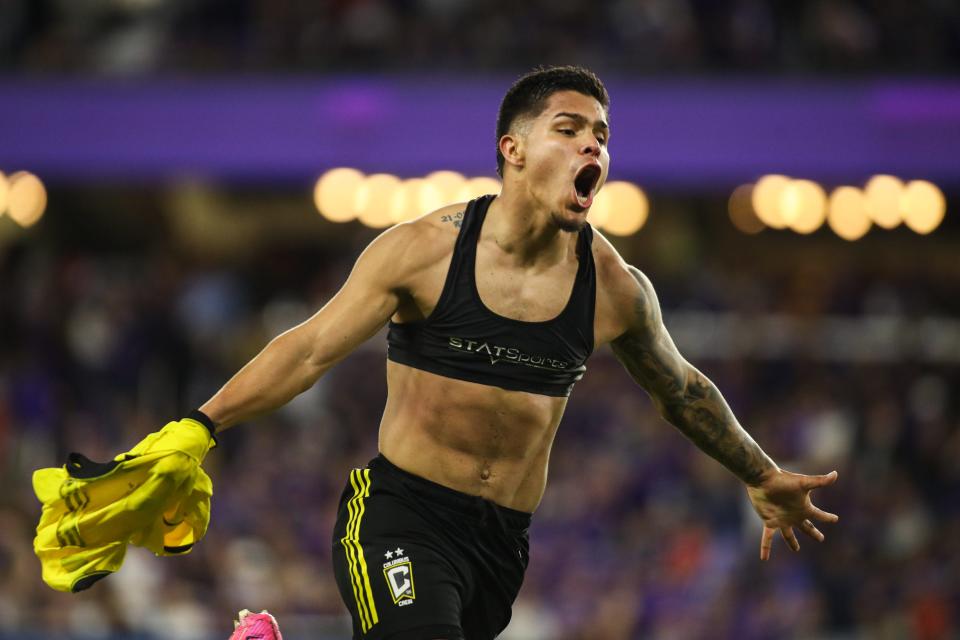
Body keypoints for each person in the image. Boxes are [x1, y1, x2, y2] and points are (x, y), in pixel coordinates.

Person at [193, 65, 839, 640]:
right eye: (570, 128)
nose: (593, 144)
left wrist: (759, 472)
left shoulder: (614, 290)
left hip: (500, 549)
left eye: (602, 136)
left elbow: (681, 390)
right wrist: (200, 426)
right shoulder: (423, 252)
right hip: (399, 517)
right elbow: (307, 350)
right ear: (515, 150)